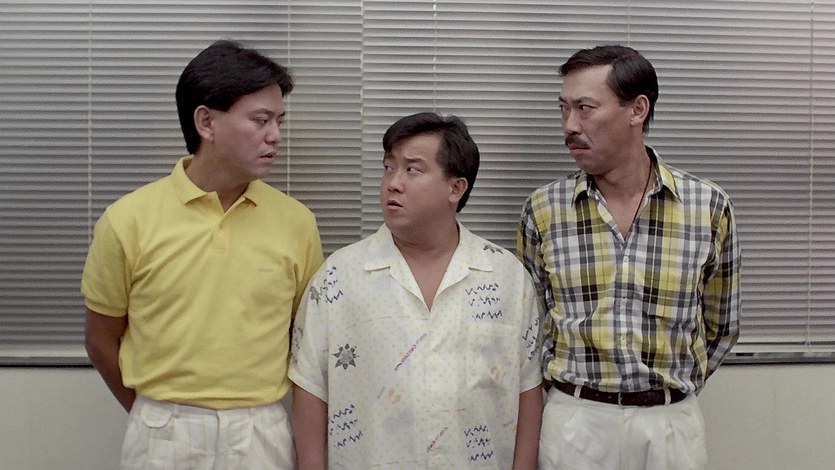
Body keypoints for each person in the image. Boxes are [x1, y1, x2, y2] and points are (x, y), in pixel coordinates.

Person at [82, 40, 324, 469]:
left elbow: (309, 343)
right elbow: (101, 340)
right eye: (261, 120)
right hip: (163, 429)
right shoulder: (127, 220)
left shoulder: (296, 223)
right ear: (206, 122)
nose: (275, 135)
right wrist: (155, 416)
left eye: (279, 120)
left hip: (260, 431)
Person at [517, 45, 741, 470]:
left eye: (585, 108)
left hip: (669, 424)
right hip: (575, 421)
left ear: (637, 110)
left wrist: (668, 392)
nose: (569, 125)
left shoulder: (707, 207)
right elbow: (533, 322)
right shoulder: (544, 209)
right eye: (563, 108)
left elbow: (721, 325)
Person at [289, 112, 543, 469]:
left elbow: (528, 389)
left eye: (412, 170)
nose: (393, 183)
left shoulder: (506, 277)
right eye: (388, 167)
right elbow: (310, 387)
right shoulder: (339, 277)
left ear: (456, 188)